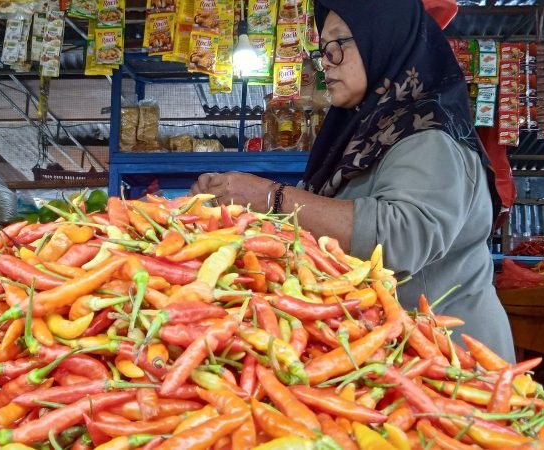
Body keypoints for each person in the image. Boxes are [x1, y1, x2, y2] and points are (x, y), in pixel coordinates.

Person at [191, 0, 515, 360]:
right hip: (396, 356)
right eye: (322, 50)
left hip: (453, 361)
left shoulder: (427, 134)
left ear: (383, 39)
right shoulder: (371, 134)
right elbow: (336, 221)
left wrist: (271, 197)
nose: (326, 60)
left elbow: (400, 239)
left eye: (337, 45)